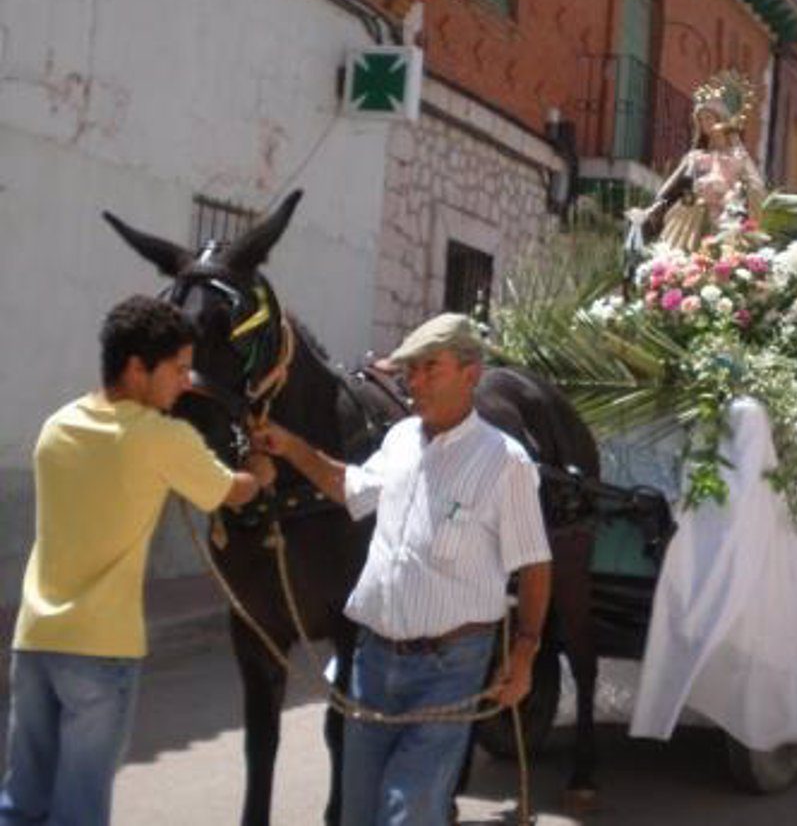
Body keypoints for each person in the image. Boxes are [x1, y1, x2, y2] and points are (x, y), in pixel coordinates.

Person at [255, 312, 552, 825]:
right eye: (409, 371)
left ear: (471, 374)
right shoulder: (399, 440)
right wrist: (291, 448)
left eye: (429, 368)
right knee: (358, 813)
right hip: (372, 662)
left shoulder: (507, 463)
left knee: (409, 812)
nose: (414, 382)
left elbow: (534, 565)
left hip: (449, 670)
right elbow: (350, 488)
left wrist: (524, 654)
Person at [0, 296, 269, 826]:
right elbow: (232, 493)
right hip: (101, 651)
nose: (185, 380)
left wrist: (169, 395)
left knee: (22, 803)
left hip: (35, 642)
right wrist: (260, 470)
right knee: (79, 811)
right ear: (136, 368)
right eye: (178, 368)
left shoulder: (58, 425)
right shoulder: (160, 438)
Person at [627, 72, 766, 256]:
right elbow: (671, 190)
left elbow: (757, 187)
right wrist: (653, 209)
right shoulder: (695, 156)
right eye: (701, 120)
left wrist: (737, 194)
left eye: (709, 118)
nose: (704, 124)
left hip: (727, 218)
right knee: (680, 256)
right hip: (691, 214)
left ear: (722, 120)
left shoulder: (738, 156)